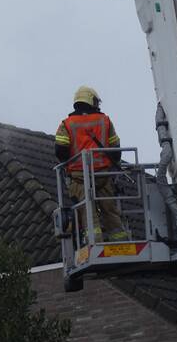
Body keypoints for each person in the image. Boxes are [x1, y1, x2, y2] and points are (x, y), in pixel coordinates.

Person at [55, 86, 129, 242]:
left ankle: (95, 244)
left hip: (79, 178)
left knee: (88, 213)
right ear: (91, 100)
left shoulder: (67, 124)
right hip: (103, 176)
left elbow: (60, 152)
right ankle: (121, 242)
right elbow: (116, 151)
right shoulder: (105, 121)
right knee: (110, 211)